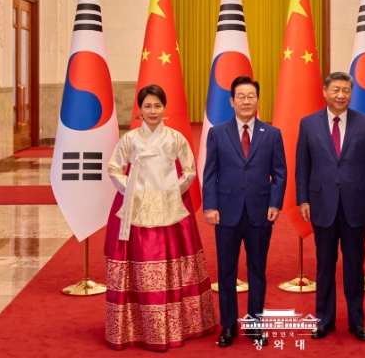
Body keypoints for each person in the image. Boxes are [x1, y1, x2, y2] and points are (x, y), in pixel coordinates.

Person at [104, 84, 217, 351]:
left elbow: (189, 170)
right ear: (140, 109)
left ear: (164, 108)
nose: (153, 111)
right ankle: (136, 327)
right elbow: (114, 168)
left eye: (157, 105)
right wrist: (132, 190)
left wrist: (169, 191)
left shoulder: (175, 138)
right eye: (148, 106)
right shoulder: (130, 139)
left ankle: (179, 324)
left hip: (169, 209)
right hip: (136, 209)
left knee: (174, 260)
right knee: (137, 262)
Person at [296, 71, 365, 342]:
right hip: (321, 204)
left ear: (351, 93)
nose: (340, 95)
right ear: (325, 92)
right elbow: (302, 166)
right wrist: (303, 199)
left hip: (356, 204)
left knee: (354, 267)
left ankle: (357, 321)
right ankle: (324, 320)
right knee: (325, 265)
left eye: (346, 90)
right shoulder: (308, 123)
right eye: (335, 90)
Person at [202, 75, 287, 348]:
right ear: (232, 101)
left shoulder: (271, 134)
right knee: (226, 271)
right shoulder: (218, 133)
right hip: (226, 213)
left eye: (251, 96)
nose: (246, 101)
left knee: (257, 271)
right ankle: (228, 325)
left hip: (260, 213)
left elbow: (280, 173)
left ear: (258, 100)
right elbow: (210, 173)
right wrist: (210, 206)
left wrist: (275, 203)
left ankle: (255, 325)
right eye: (241, 96)